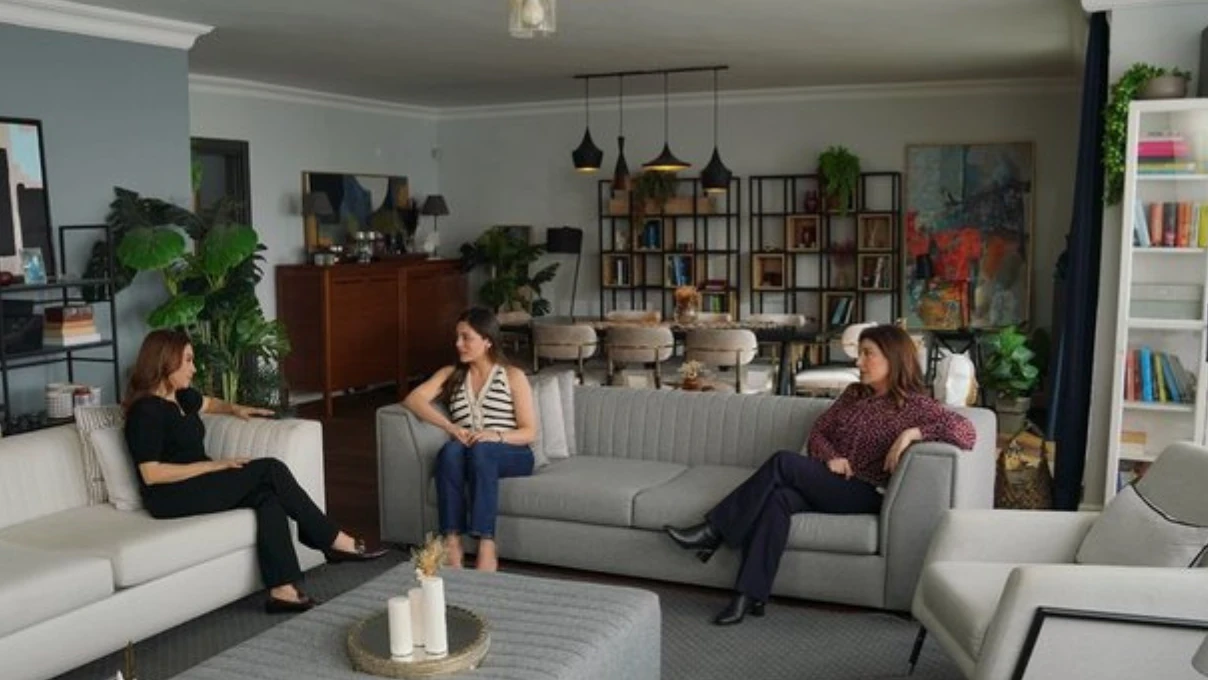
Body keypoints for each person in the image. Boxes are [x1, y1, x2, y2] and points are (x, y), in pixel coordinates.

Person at [664, 324, 976, 625]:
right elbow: (819, 432)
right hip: (832, 482)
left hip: (866, 491)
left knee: (783, 462)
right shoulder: (854, 394)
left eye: (868, 354)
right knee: (777, 500)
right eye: (859, 353)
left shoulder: (916, 406)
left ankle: (714, 531)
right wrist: (831, 457)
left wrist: (912, 433)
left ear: (893, 357)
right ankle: (748, 596)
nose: (859, 362)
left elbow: (966, 432)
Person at [123, 329, 386, 614]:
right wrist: (214, 465)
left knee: (267, 496)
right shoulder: (145, 411)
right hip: (170, 496)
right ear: (165, 361)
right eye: (187, 360)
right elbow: (152, 474)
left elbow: (210, 403)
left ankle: (283, 591)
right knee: (270, 469)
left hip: (200, 481)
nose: (194, 368)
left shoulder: (181, 397)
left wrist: (235, 409)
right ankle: (333, 540)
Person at [402, 307, 537, 572]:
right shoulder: (451, 374)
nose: (458, 344)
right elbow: (413, 400)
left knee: (482, 450)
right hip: (469, 451)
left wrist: (495, 436)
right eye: (457, 337)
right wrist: (450, 427)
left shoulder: (512, 375)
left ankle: (487, 543)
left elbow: (529, 431)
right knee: (450, 452)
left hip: (512, 453)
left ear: (487, 341)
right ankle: (452, 541)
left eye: (466, 338)